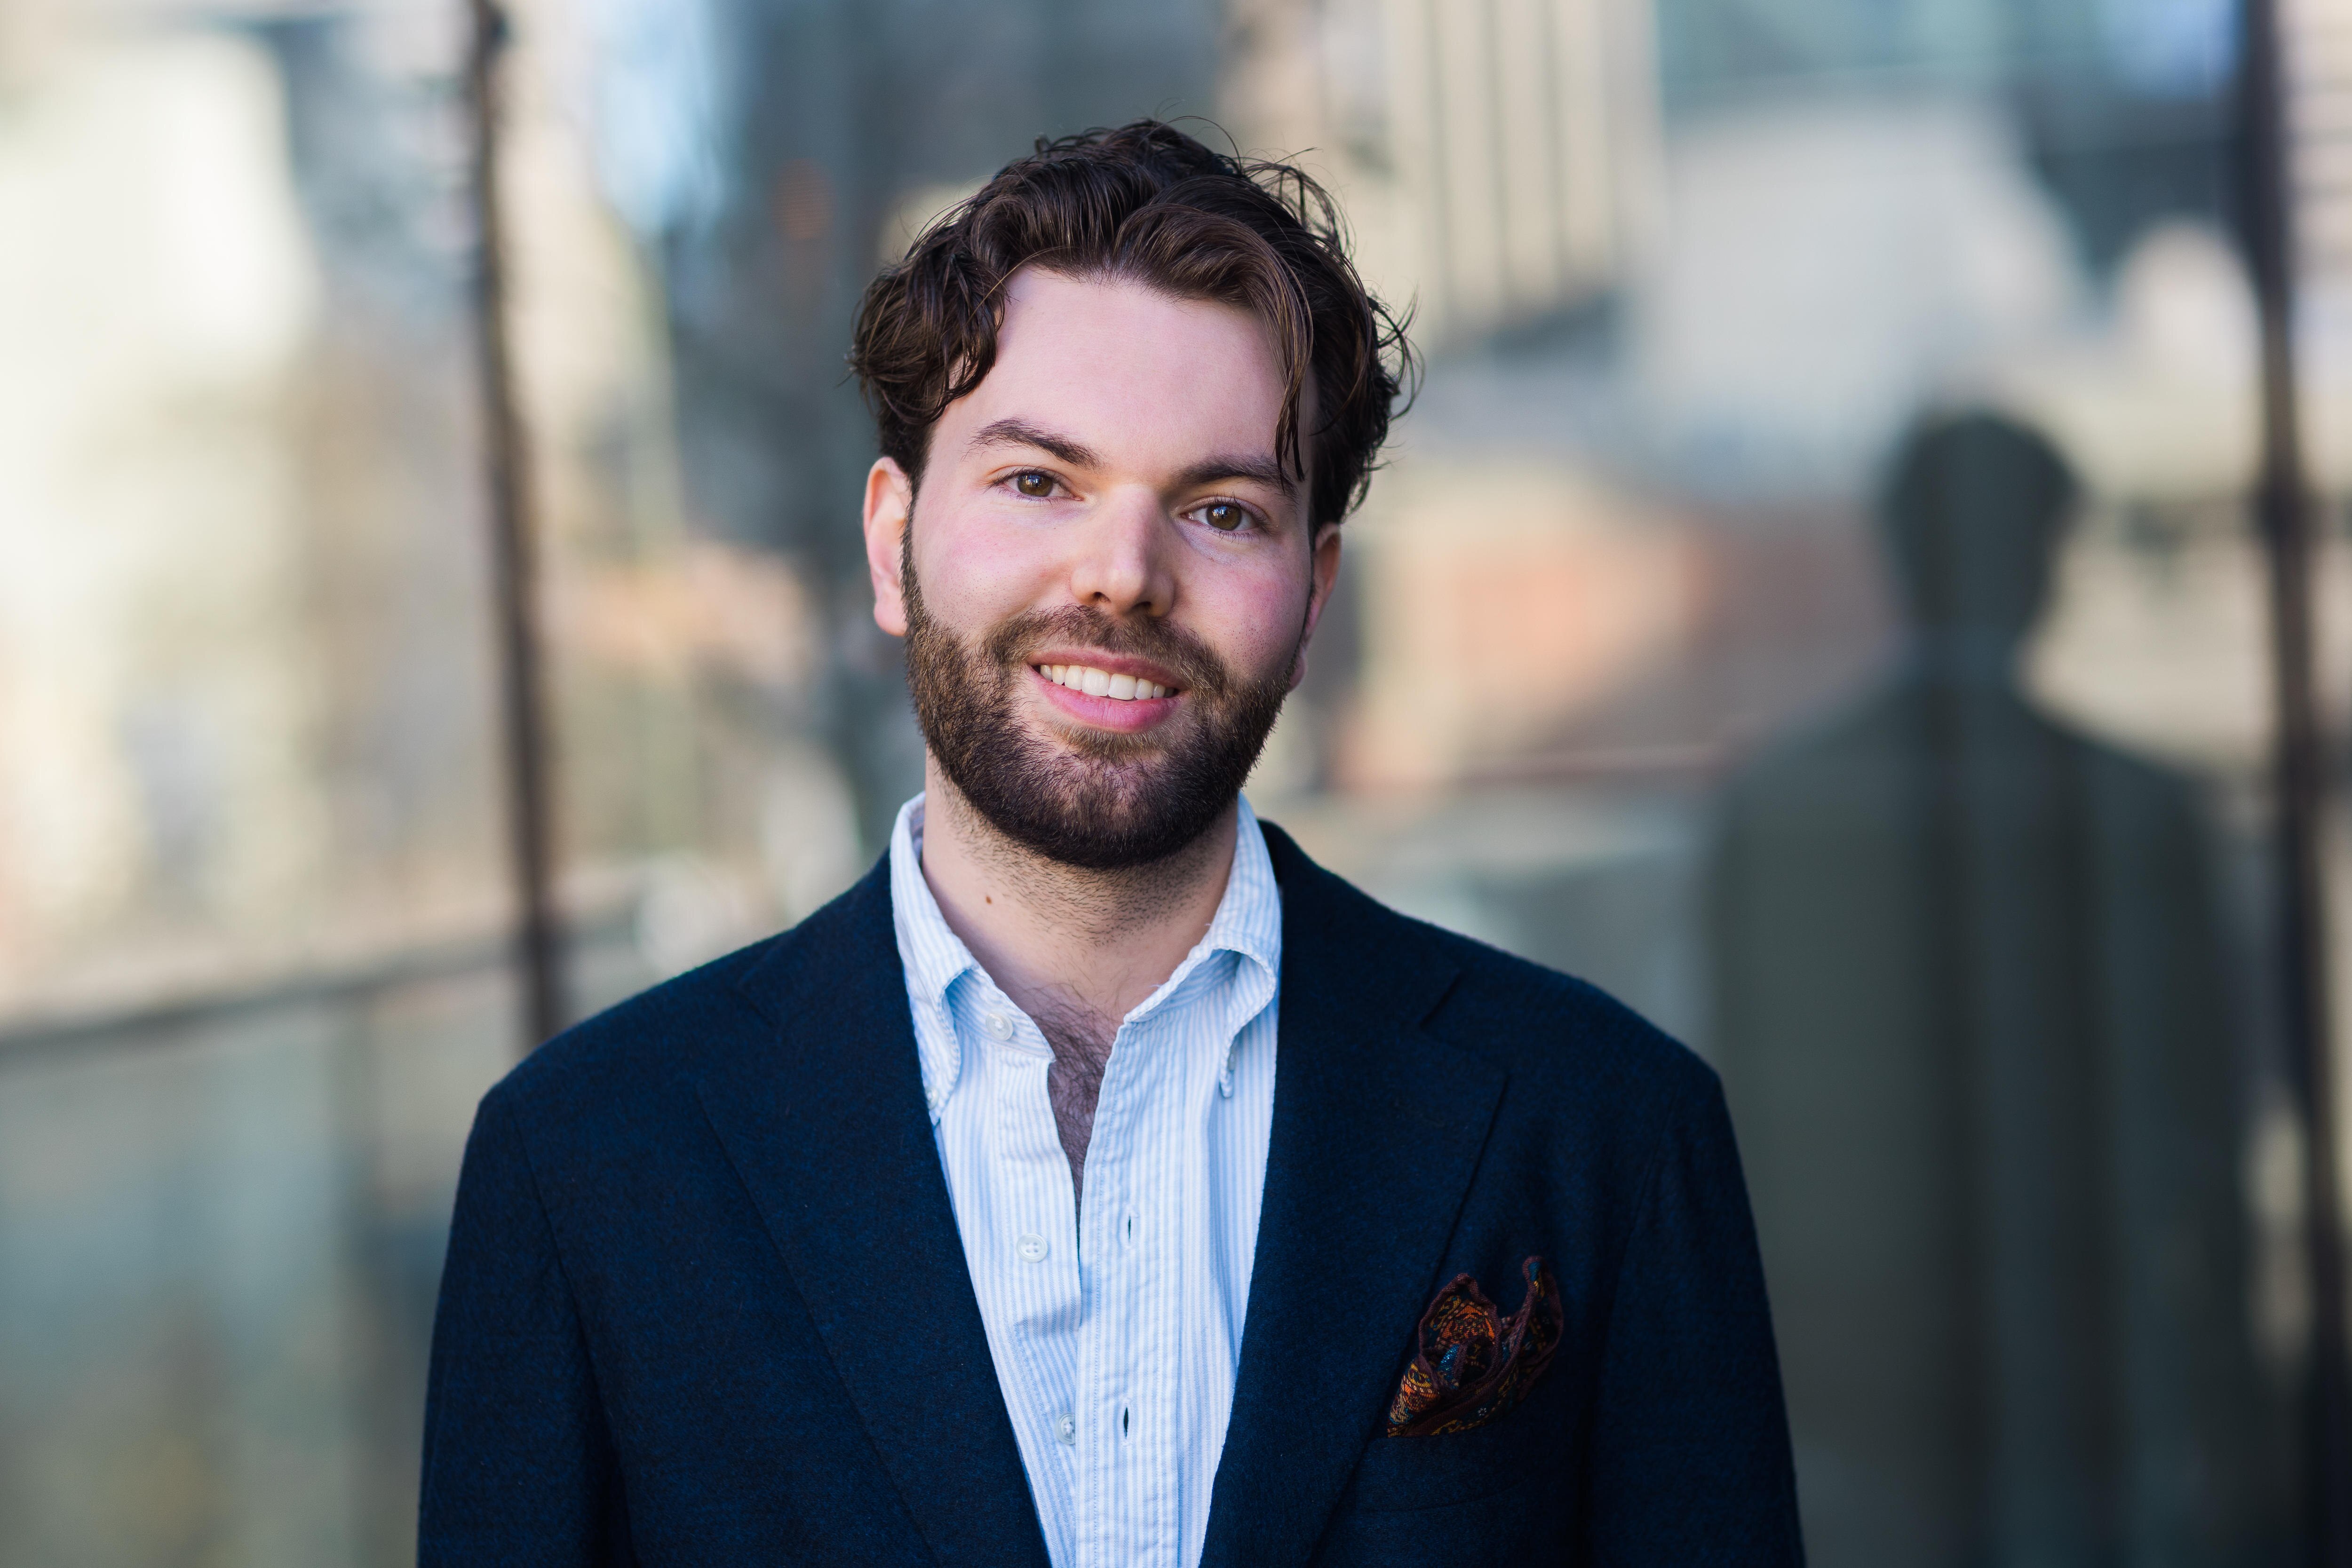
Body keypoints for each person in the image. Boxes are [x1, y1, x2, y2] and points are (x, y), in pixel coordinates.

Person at [418, 120, 1800, 1568]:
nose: (1123, 575)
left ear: (1313, 591)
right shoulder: (585, 1165)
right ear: (894, 543)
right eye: (1038, 482)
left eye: (1219, 509)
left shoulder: (1603, 1129)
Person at [1709, 413, 2273, 1564]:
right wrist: (2233, 1398)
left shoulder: (1776, 808)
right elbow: (2207, 1134)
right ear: (2044, 565)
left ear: (1897, 560)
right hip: (2085, 1368)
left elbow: (1732, 1117)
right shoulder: (2136, 809)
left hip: (1839, 1380)